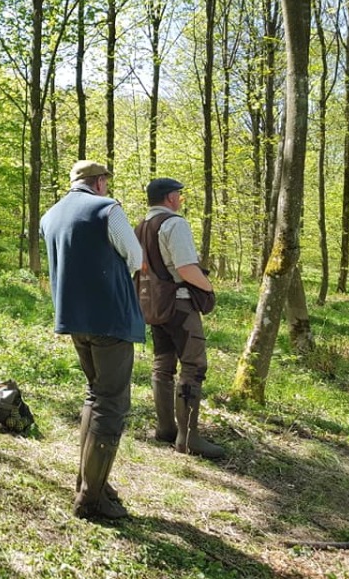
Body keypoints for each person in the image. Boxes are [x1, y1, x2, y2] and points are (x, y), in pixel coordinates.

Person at [40, 160, 145, 522]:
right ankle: (91, 498)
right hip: (109, 318)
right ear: (99, 182)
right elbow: (136, 256)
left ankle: (89, 480)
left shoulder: (50, 215)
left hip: (74, 319)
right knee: (112, 402)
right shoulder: (107, 209)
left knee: (95, 394)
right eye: (105, 181)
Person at [137, 178, 224, 458]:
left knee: (162, 365)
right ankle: (188, 439)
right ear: (170, 197)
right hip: (180, 306)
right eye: (178, 194)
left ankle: (165, 428)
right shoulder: (174, 224)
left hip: (152, 305)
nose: (180, 199)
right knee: (193, 366)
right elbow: (186, 268)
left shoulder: (139, 227)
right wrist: (208, 287)